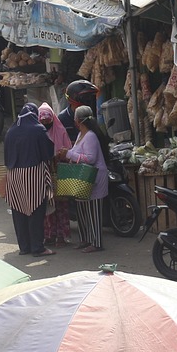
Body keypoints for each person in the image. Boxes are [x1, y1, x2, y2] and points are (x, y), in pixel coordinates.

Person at [4, 103, 55, 257]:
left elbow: (6, 157)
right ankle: (38, 248)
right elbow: (47, 153)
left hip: (14, 176)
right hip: (34, 174)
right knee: (36, 211)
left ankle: (24, 247)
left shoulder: (11, 132)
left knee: (19, 211)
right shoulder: (38, 129)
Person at [57, 105, 111, 253]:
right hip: (82, 180)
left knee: (93, 212)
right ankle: (85, 239)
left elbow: (91, 159)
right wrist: (67, 153)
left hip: (93, 179)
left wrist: (69, 154)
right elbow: (76, 152)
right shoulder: (81, 135)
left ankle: (96, 243)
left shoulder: (91, 136)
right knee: (82, 212)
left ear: (78, 121)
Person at [38, 102, 73, 247]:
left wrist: (61, 155)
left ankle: (62, 236)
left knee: (62, 206)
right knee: (48, 207)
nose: (46, 124)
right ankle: (49, 235)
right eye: (43, 121)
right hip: (45, 175)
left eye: (48, 121)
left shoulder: (60, 131)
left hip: (61, 174)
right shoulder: (38, 133)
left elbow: (69, 150)